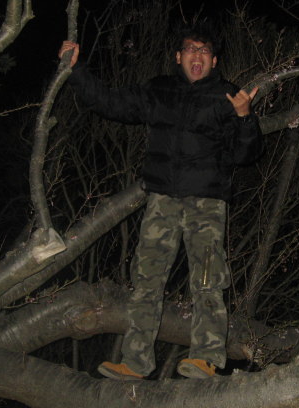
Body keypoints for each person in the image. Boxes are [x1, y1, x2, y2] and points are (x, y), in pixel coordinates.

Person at [59, 28, 262, 380]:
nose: (197, 55)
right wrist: (75, 69)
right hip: (161, 200)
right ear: (178, 57)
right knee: (146, 280)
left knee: (207, 280)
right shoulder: (159, 90)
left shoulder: (226, 96)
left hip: (206, 202)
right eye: (190, 49)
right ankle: (135, 362)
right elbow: (109, 103)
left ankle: (206, 359)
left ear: (214, 61)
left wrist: (245, 117)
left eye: (204, 50)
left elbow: (247, 154)